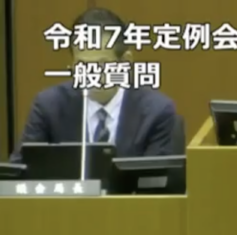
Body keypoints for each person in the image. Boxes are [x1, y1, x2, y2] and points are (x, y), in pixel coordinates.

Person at [10, 7, 177, 163]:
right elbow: (20, 173)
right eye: (82, 64)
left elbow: (157, 179)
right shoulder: (49, 107)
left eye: (101, 64)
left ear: (126, 61)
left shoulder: (157, 112)